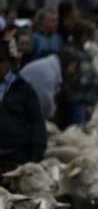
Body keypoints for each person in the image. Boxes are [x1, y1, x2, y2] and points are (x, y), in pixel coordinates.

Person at [0, 41, 46, 170]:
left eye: (0, 61)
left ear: (8, 63)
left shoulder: (23, 89)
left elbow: (37, 122)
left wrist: (35, 157)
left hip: (17, 158)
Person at [19, 48, 78, 121]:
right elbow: (44, 101)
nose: (73, 71)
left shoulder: (49, 67)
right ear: (65, 63)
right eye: (72, 67)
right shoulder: (48, 72)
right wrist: (51, 113)